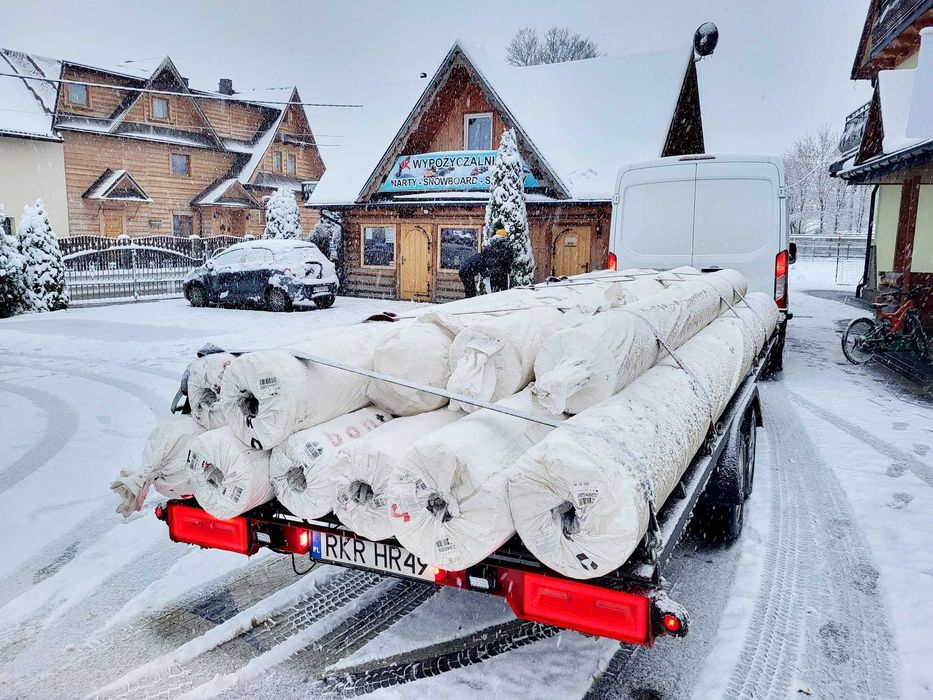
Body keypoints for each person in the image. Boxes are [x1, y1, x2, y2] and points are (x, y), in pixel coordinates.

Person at [458, 229, 514, 297]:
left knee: (470, 290)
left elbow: (484, 268)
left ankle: (469, 300)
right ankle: (469, 302)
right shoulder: (483, 259)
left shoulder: (485, 253)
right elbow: (483, 268)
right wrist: (486, 274)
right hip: (466, 272)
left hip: (463, 270)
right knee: (470, 291)